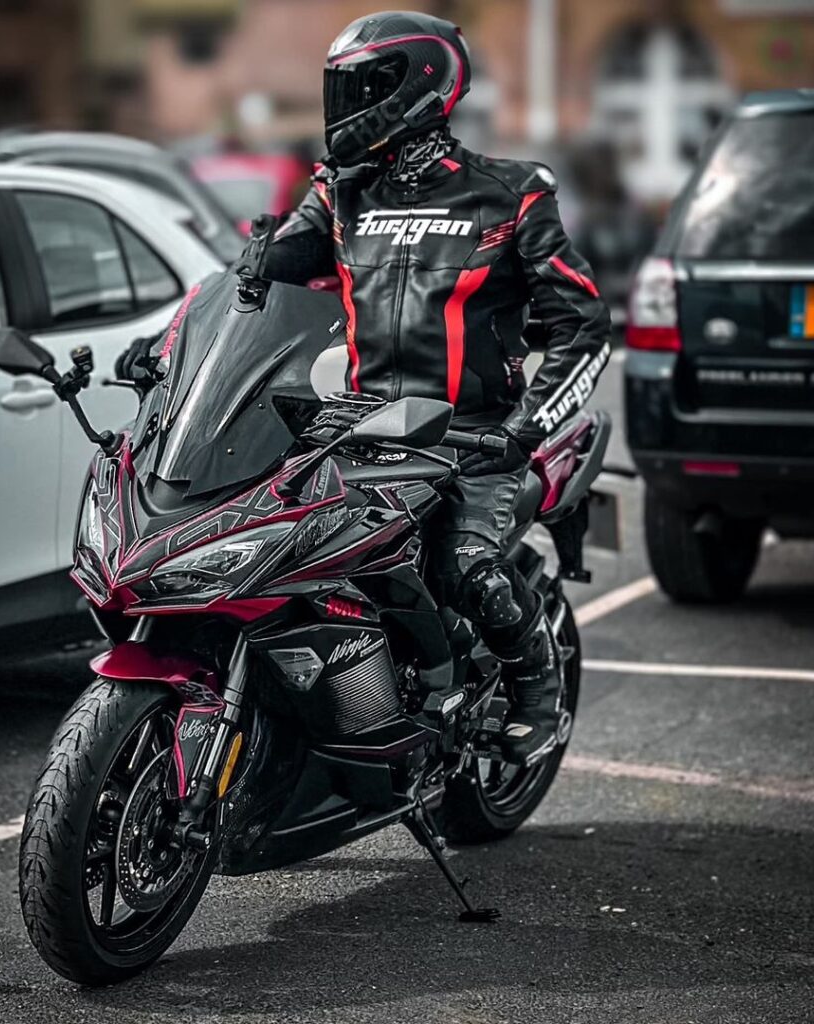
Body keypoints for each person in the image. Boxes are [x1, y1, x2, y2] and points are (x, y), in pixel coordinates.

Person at [120, 10, 611, 767]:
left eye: (361, 87)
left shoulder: (512, 193)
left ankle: (535, 688)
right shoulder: (341, 194)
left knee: (465, 568)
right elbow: (250, 282)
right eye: (339, 87)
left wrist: (523, 431)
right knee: (271, 549)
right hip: (360, 429)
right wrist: (164, 346)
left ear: (421, 86)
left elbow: (583, 328)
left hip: (473, 435)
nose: (343, 104)